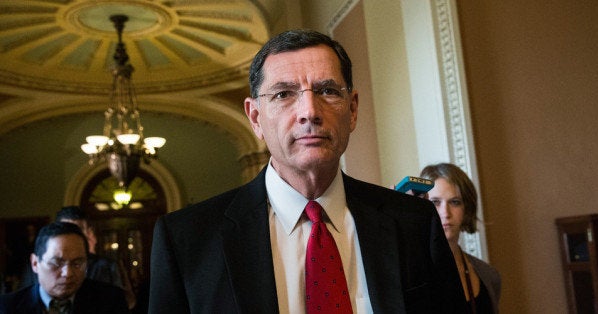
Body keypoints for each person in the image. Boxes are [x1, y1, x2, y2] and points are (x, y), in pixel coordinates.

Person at [149, 29, 467, 313]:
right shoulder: (187, 241)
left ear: (353, 109)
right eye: (284, 94)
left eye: (327, 91)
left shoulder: (414, 223)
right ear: (256, 117)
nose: (309, 112)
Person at [420, 163, 501, 314]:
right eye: (435, 202)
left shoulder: (489, 276)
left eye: (455, 202)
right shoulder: (411, 274)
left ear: (467, 208)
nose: (445, 213)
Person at [0, 222, 129, 313]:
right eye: (56, 263)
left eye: (77, 263)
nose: (67, 273)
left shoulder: (110, 301)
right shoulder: (7, 307)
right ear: (35, 263)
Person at [55, 206, 136, 309]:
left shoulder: (106, 266)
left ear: (87, 233)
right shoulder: (45, 266)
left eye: (77, 232)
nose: (71, 238)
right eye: (66, 232)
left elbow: (123, 303)